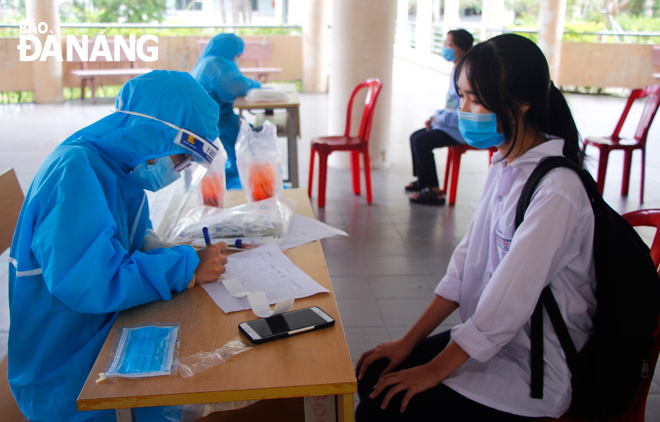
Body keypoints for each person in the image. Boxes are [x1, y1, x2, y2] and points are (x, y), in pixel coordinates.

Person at [355, 34, 595, 421]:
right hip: (496, 342)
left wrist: (431, 370)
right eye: (462, 95)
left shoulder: (557, 191)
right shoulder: (506, 164)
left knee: (378, 411)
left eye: (475, 100)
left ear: (520, 104)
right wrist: (408, 342)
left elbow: (507, 302)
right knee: (372, 376)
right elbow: (466, 263)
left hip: (534, 366)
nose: (464, 110)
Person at [7, 70, 230, 422]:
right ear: (152, 136)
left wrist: (169, 249)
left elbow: (129, 240)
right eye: (179, 158)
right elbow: (92, 283)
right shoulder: (75, 173)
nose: (178, 170)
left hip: (98, 331)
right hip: (67, 373)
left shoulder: (116, 168)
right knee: (224, 382)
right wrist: (185, 266)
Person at [407, 29, 474, 206]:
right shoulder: (456, 70)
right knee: (415, 136)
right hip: (450, 123)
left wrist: (440, 120)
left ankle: (434, 191)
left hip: (460, 128)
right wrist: (436, 117)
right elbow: (451, 104)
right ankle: (423, 181)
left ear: (462, 49)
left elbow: (463, 111)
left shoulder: (467, 73)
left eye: (449, 45)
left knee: (422, 142)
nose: (445, 48)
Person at [192, 33, 262, 190]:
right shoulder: (217, 64)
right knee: (243, 149)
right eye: (237, 55)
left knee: (240, 143)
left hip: (210, 119)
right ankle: (243, 187)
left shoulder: (207, 62)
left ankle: (235, 183)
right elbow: (237, 87)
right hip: (216, 123)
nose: (237, 59)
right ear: (230, 51)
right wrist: (255, 84)